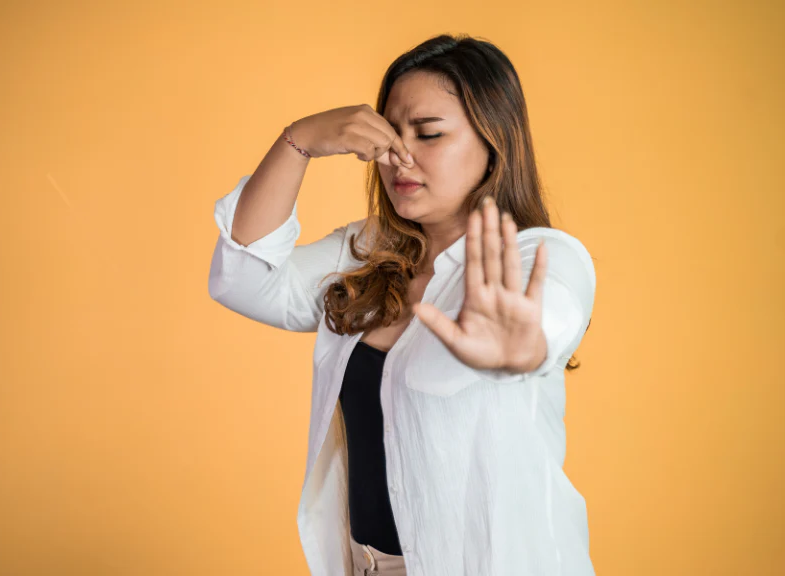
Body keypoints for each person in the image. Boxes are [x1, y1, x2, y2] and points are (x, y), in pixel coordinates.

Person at [208, 33, 597, 576]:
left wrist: (524, 346)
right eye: (391, 134)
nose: (399, 157)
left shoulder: (538, 255)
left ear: (493, 145)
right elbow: (244, 279)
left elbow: (551, 314)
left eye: (429, 133)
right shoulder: (366, 251)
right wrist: (298, 141)